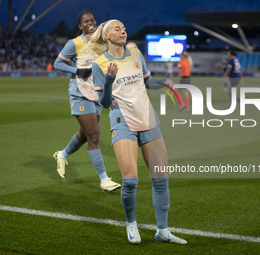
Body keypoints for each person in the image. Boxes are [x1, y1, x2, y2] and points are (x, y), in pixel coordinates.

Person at [89, 19, 187, 245]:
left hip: (148, 118)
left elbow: (147, 82)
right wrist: (110, 80)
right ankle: (131, 225)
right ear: (106, 36)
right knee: (131, 181)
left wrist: (163, 84)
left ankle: (163, 231)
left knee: (161, 178)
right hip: (122, 121)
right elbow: (104, 103)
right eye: (117, 28)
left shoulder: (136, 54)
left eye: (124, 28)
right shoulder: (100, 64)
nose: (122, 30)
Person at [53, 11, 121, 192]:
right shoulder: (74, 43)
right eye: (86, 21)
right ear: (80, 26)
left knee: (85, 135)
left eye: (92, 20)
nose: (90, 23)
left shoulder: (103, 44)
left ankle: (62, 154)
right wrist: (76, 70)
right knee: (94, 136)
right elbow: (57, 63)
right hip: (80, 93)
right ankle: (104, 180)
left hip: (97, 93)